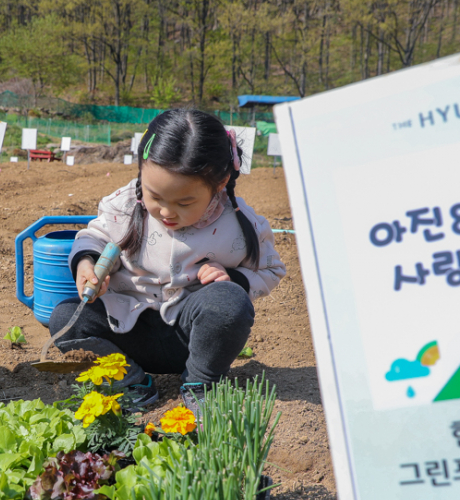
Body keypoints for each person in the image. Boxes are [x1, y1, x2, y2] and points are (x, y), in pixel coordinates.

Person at [51, 109, 287, 414]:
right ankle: (130, 381)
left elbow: (271, 269)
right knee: (64, 320)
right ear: (140, 172)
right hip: (125, 330)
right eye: (155, 196)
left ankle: (200, 383)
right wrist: (87, 263)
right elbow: (93, 237)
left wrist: (234, 278)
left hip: (191, 339)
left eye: (184, 202)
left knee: (230, 303)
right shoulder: (123, 206)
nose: (166, 212)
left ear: (220, 183)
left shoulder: (238, 224)